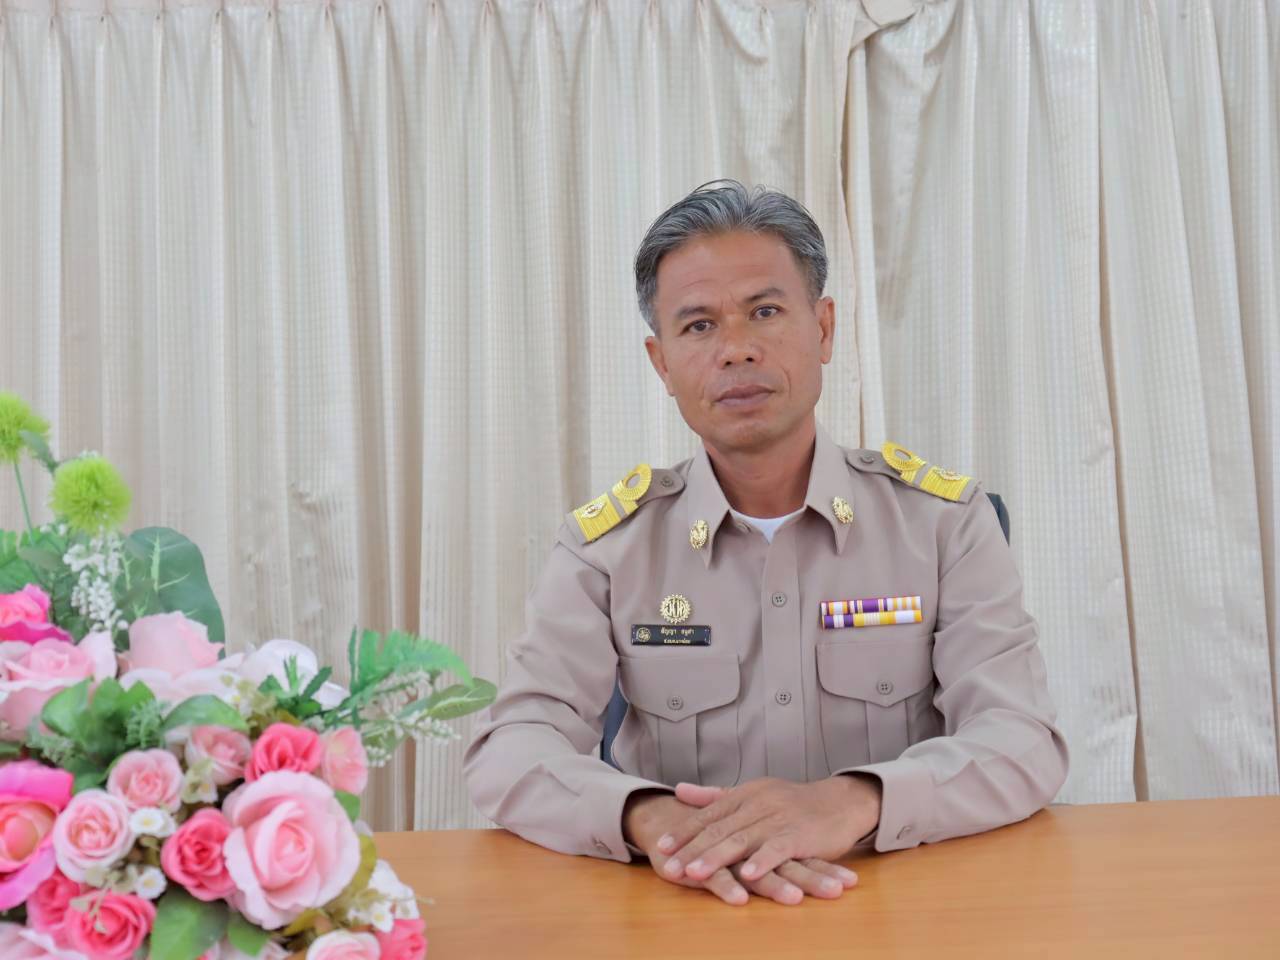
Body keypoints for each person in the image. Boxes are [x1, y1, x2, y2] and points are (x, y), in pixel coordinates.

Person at [464, 181, 1069, 907]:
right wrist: (648, 820)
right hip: (686, 905)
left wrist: (853, 802)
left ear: (824, 329)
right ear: (662, 364)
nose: (736, 350)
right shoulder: (607, 549)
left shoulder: (945, 524)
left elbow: (1022, 739)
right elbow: (512, 746)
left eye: (765, 312)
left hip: (897, 903)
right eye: (698, 326)